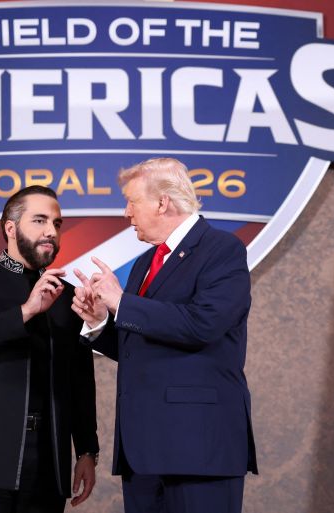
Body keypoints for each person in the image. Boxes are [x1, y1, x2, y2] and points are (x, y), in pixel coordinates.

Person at [71, 158, 257, 513]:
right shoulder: (145, 262)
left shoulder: (223, 250)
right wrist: (99, 322)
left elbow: (204, 324)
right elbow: (139, 344)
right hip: (143, 452)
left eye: (131, 201)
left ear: (162, 202)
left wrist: (122, 303)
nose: (126, 212)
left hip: (198, 448)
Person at [0, 185, 99, 513]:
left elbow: (80, 379)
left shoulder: (68, 296)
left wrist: (86, 450)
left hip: (48, 464)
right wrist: (26, 311)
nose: (50, 232)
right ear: (11, 229)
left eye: (56, 224)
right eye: (39, 221)